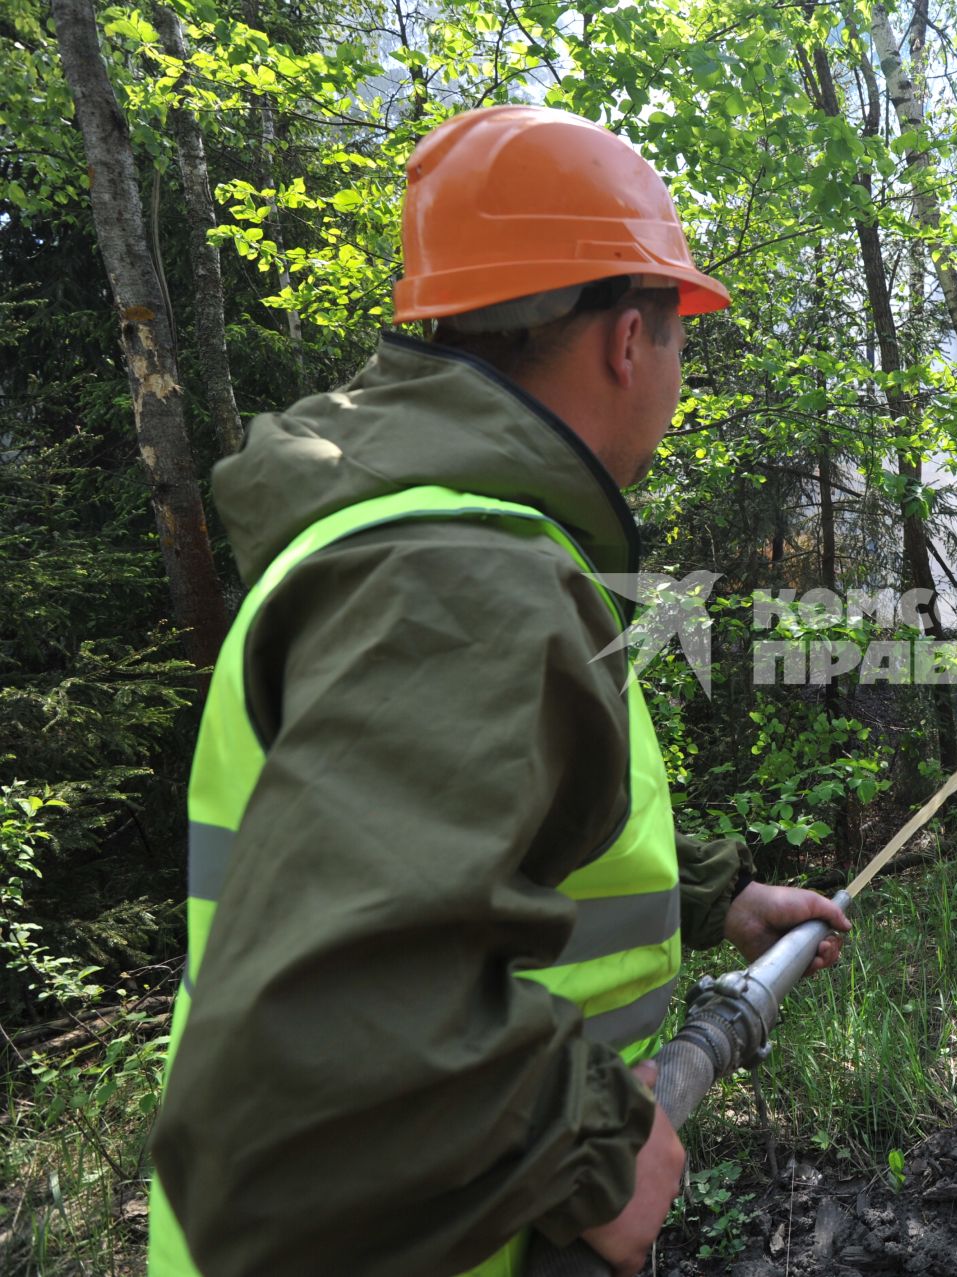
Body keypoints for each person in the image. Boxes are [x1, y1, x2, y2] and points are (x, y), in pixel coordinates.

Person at [145, 104, 852, 1277]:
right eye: (681, 339)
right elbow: (316, 1072)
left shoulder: (414, 538)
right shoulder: (458, 576)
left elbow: (478, 832)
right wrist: (587, 1144)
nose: (676, 376)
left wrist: (716, 892)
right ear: (628, 340)